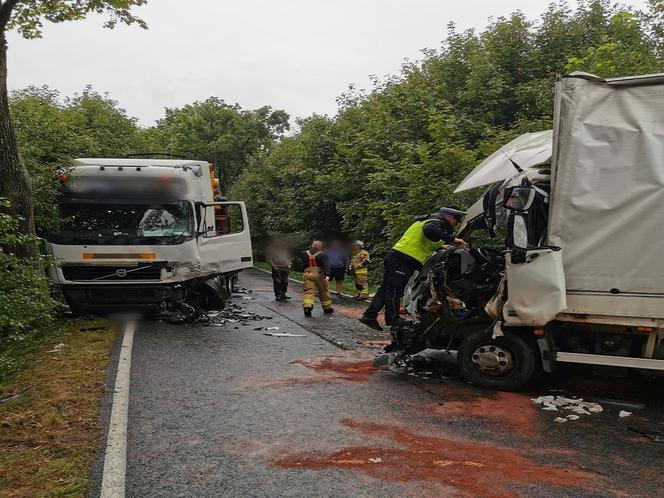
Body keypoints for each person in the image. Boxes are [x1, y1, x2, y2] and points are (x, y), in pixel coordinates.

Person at [359, 207, 468, 331]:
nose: (457, 224)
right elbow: (431, 231)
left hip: (397, 256)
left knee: (386, 289)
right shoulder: (435, 222)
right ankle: (393, 319)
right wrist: (454, 239)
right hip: (404, 259)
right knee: (395, 290)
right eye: (457, 220)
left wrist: (442, 246)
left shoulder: (427, 220)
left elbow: (426, 240)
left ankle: (370, 315)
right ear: (449, 216)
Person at [301, 240, 334, 317]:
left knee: (308, 291)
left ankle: (307, 307)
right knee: (323, 291)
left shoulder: (305, 254)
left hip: (308, 273)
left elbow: (303, 264)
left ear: (312, 245)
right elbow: (326, 265)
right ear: (320, 246)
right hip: (319, 274)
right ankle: (327, 308)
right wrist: (327, 276)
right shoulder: (323, 254)